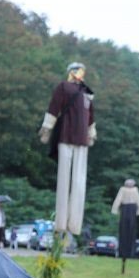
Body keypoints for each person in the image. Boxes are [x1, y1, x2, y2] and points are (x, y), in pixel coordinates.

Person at [39, 62, 95, 236]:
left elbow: (91, 117)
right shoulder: (63, 87)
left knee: (79, 183)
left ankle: (74, 225)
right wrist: (47, 128)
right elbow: (54, 108)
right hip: (65, 136)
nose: (79, 73)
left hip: (82, 141)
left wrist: (91, 133)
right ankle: (61, 224)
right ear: (71, 72)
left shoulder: (87, 92)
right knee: (64, 181)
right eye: (76, 70)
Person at [111, 178, 139, 274]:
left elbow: (118, 200)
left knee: (124, 231)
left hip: (125, 210)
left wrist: (115, 210)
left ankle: (124, 252)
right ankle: (129, 251)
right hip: (132, 210)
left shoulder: (123, 189)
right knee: (130, 231)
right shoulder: (135, 190)